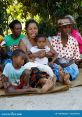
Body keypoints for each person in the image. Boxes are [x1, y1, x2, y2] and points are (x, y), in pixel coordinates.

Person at [49, 18, 80, 85]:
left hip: (69, 64)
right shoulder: (53, 40)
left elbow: (76, 58)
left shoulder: (73, 41)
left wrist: (68, 64)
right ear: (60, 29)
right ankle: (62, 76)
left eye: (69, 27)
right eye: (65, 27)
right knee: (53, 70)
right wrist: (59, 65)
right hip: (57, 64)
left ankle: (67, 77)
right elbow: (51, 56)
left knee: (74, 69)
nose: (67, 29)